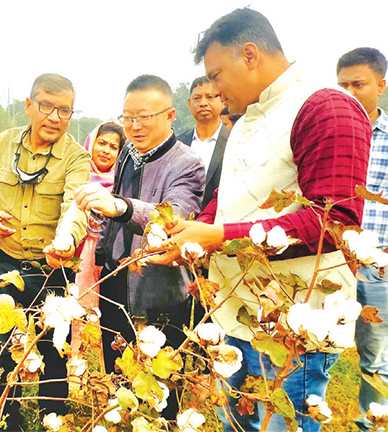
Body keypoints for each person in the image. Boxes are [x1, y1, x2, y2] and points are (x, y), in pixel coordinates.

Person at [149, 8, 371, 432]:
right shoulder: (252, 117)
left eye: (216, 75)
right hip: (238, 313)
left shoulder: (325, 108)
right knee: (235, 420)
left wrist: (217, 237)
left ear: (250, 55)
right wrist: (191, 232)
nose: (212, 90)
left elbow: (335, 222)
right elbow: (229, 199)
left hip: (293, 323)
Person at [74, 74, 205, 418]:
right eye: (127, 117)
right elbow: (112, 207)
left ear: (170, 115)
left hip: (161, 285)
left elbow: (175, 216)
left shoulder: (187, 163)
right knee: (118, 375)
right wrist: (102, 250)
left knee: (162, 385)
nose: (134, 126)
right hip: (116, 278)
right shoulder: (128, 154)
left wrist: (121, 207)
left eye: (144, 117)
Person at [0, 73, 90, 431]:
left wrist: (65, 243)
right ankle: (7, 418)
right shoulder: (5, 143)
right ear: (29, 105)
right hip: (7, 264)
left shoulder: (76, 156)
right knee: (5, 344)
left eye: (65, 110)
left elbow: (76, 207)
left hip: (52, 269)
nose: (55, 117)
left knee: (56, 347)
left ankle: (53, 416)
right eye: (47, 106)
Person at [337, 47, 388, 431]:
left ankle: (369, 423)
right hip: (332, 261)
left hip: (376, 265)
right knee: (315, 345)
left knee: (374, 355)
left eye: (359, 83)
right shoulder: (331, 133)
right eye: (342, 85)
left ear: (381, 86)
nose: (350, 91)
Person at [71, 122, 124, 363]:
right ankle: (75, 370)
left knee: (110, 315)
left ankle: (112, 376)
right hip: (81, 252)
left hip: (110, 254)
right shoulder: (78, 176)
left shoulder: (122, 181)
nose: (106, 150)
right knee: (75, 311)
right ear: (91, 145)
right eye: (101, 143)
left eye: (114, 147)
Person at [177, 76, 229, 207]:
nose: (203, 103)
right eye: (197, 98)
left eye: (210, 97)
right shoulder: (177, 143)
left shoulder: (235, 141)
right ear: (189, 103)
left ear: (222, 100)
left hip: (219, 220)